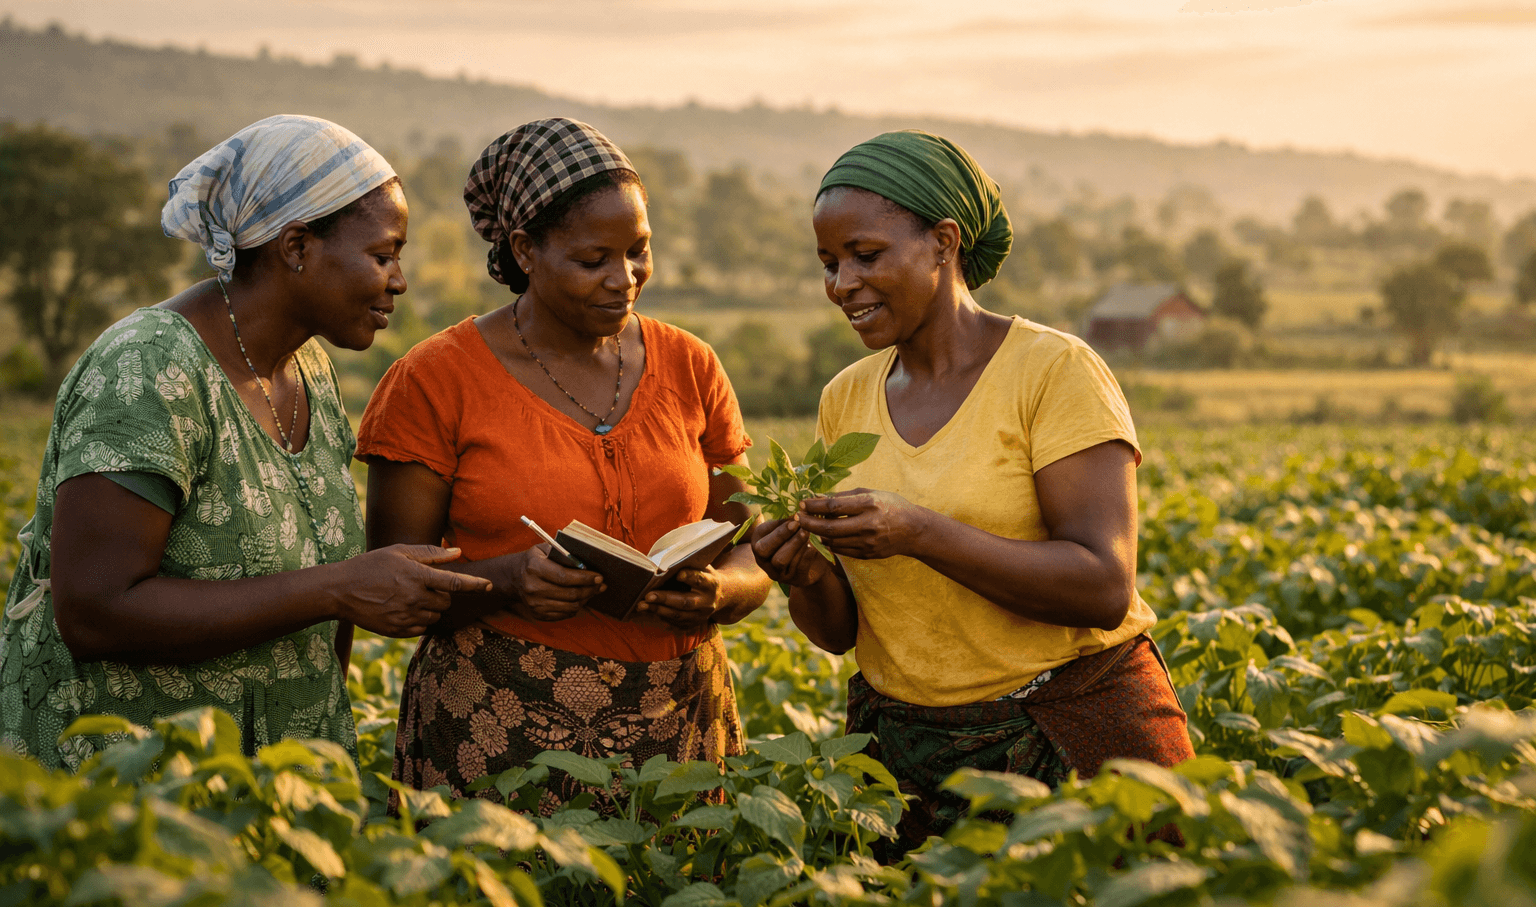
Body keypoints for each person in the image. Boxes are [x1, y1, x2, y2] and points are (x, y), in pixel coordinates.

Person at [0, 115, 491, 770]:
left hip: (275, 790)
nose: (398, 280)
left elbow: (325, 586)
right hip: (134, 792)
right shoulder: (149, 369)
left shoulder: (309, 370)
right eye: (383, 254)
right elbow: (94, 612)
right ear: (295, 247)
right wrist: (335, 589)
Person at [750, 129, 1194, 851]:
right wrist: (801, 570)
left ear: (944, 243)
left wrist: (919, 533)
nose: (841, 285)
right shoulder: (846, 399)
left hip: (1069, 728)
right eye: (829, 264)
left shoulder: (1053, 372)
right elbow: (843, 633)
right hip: (907, 752)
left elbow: (1102, 585)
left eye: (865, 255)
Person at [356, 117, 769, 807]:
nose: (625, 278)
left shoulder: (691, 366)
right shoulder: (435, 380)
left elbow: (749, 551)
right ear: (525, 250)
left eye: (640, 251)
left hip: (681, 728)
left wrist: (725, 594)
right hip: (498, 732)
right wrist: (509, 581)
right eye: (592, 260)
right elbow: (390, 588)